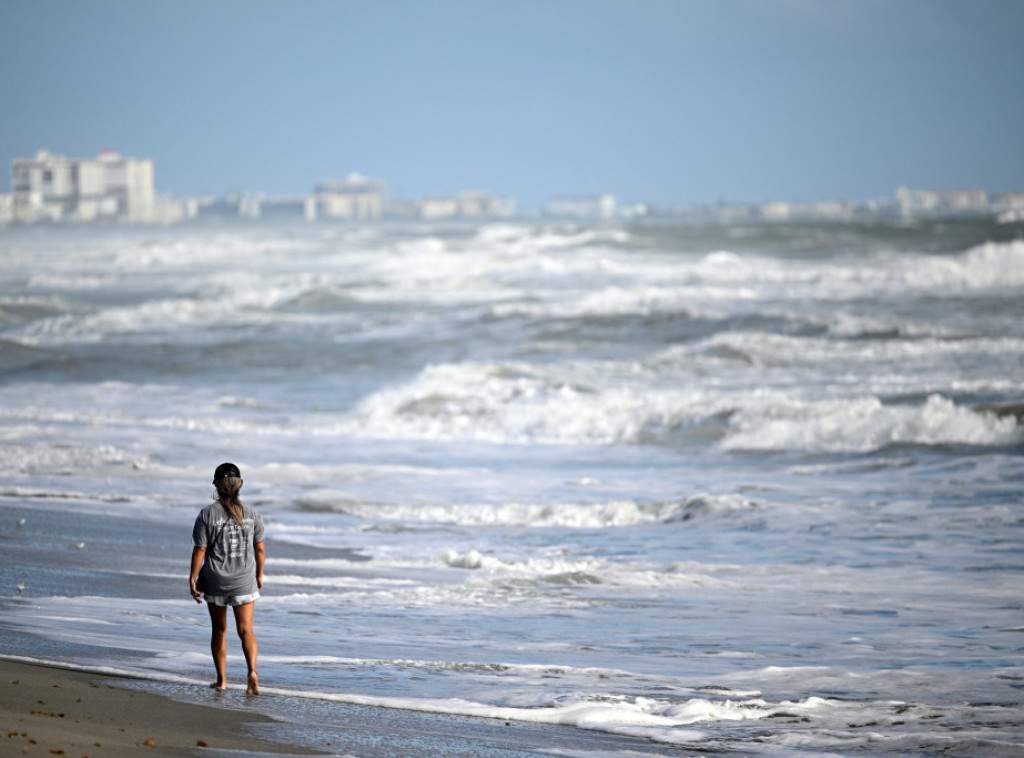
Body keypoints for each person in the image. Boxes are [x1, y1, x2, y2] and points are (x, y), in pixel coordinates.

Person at [189, 462, 265, 695]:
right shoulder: (252, 514)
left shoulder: (207, 514)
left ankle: (222, 681)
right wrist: (259, 575)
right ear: (239, 485)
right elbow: (260, 549)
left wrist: (192, 577)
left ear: (216, 485)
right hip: (244, 579)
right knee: (246, 631)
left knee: (219, 629)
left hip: (216, 579)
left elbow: (200, 549)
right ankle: (252, 671)